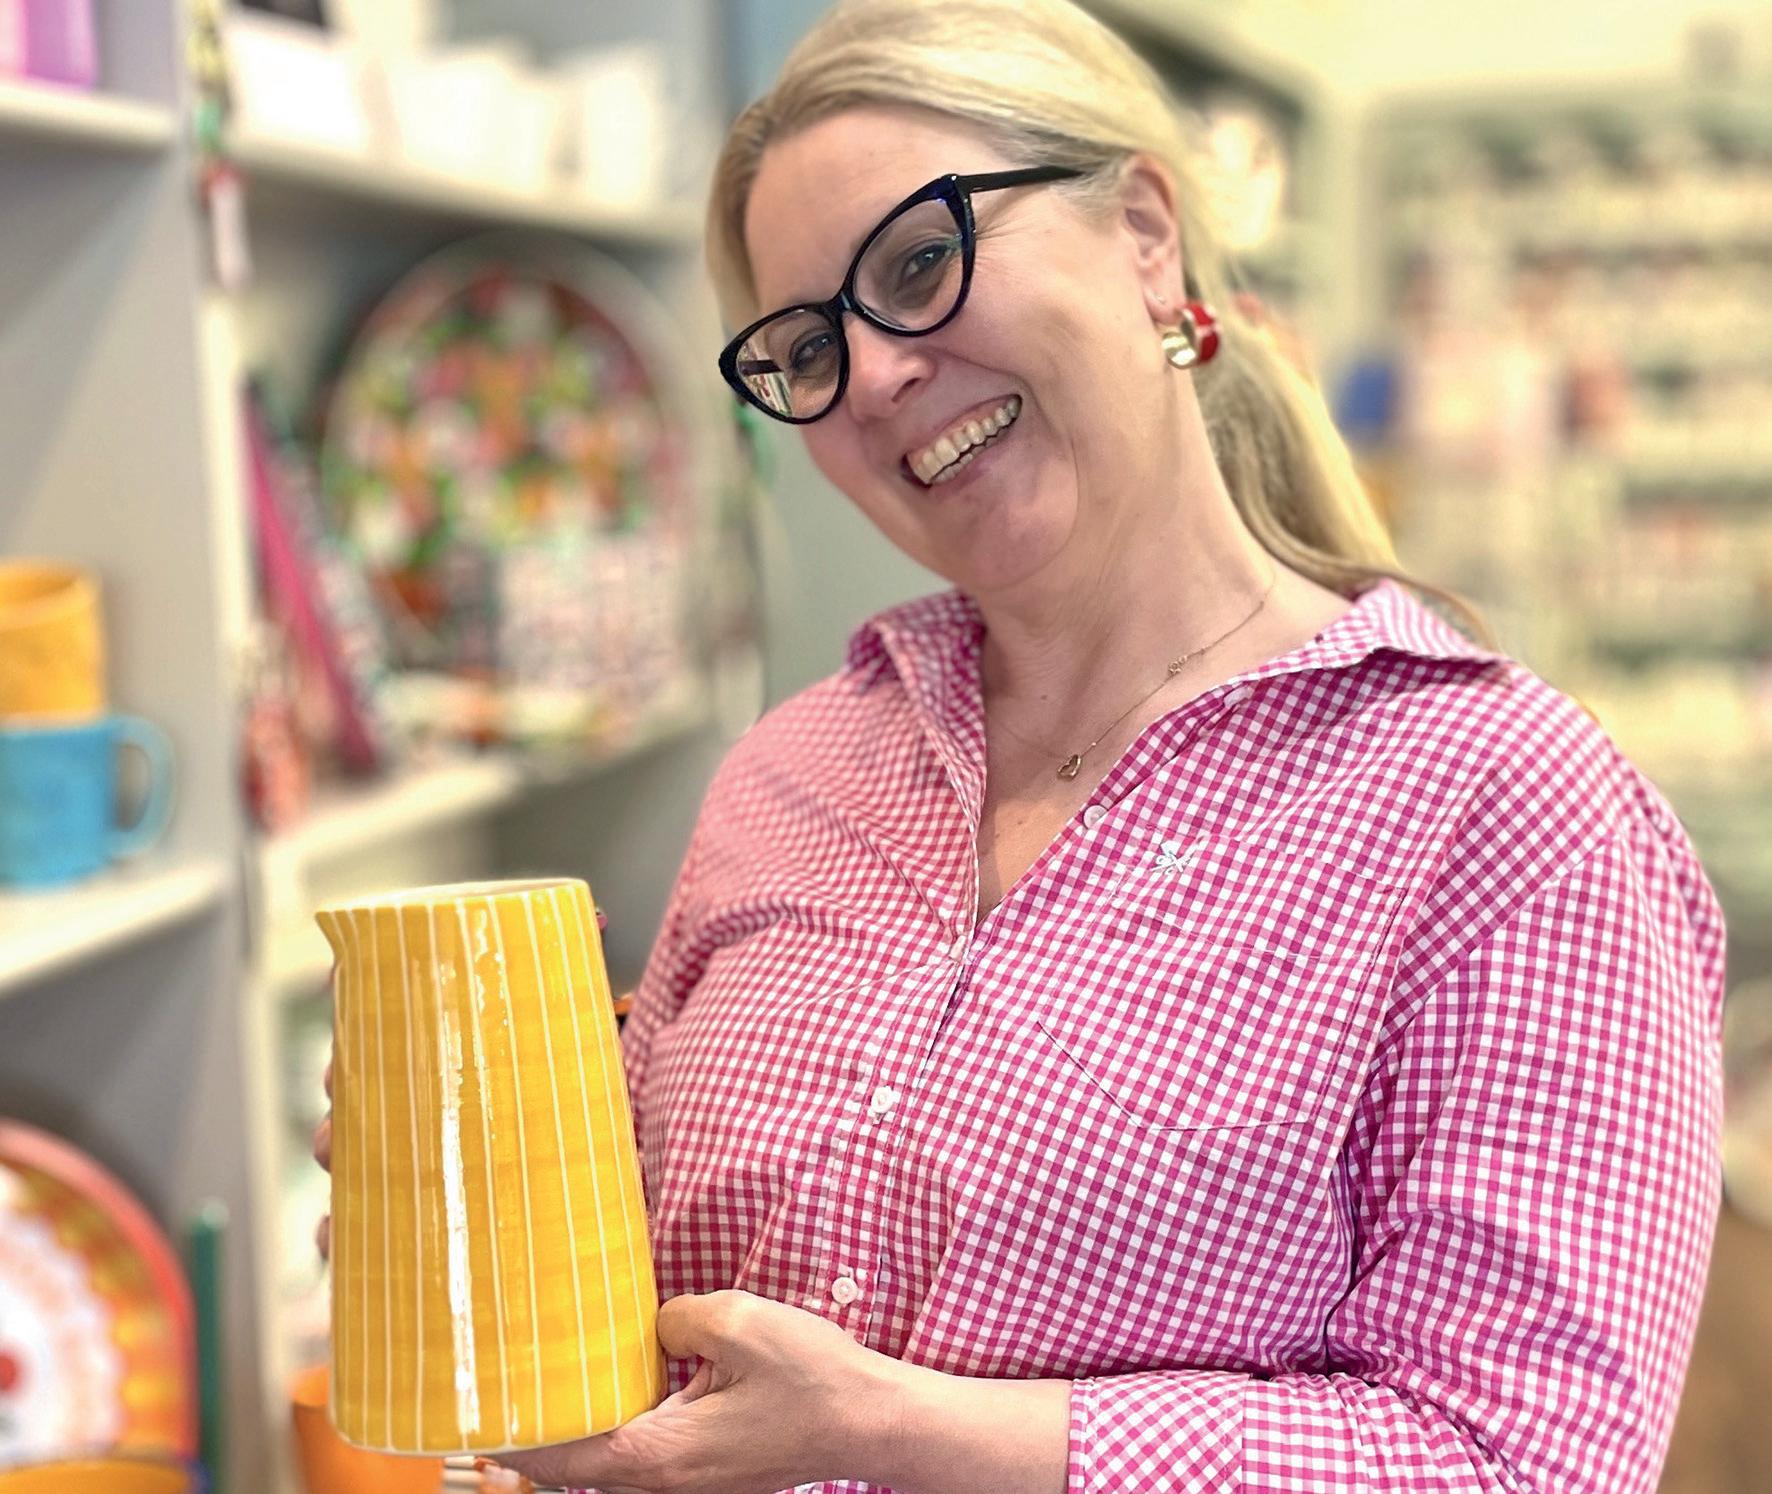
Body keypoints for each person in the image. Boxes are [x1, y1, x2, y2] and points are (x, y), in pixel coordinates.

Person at [317, 2, 1727, 1489]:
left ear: (1145, 234)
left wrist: (888, 1427)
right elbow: (650, 1317)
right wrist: (485, 1203)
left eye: (917, 265)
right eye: (807, 347)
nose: (871, 375)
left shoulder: (1508, 808)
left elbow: (1520, 1458)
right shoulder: (788, 774)